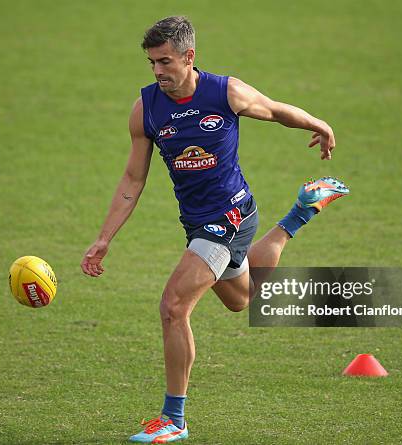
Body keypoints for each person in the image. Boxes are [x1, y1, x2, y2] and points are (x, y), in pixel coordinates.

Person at [81, 16, 349, 443]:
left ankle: (174, 419)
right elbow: (133, 179)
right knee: (241, 299)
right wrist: (104, 237)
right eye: (151, 63)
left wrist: (319, 123)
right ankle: (300, 213)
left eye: (165, 61)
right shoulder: (146, 108)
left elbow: (276, 110)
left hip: (231, 215)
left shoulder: (225, 92)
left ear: (189, 57)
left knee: (173, 306)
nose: (157, 71)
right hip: (197, 223)